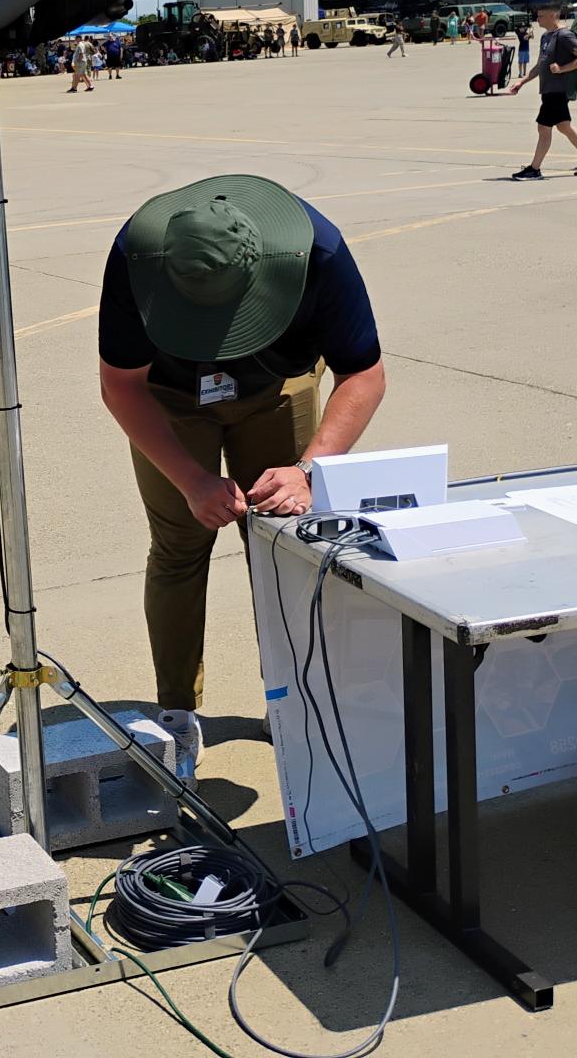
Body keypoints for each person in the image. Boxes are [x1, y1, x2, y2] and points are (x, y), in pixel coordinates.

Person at [97, 175, 387, 764]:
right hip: (171, 398)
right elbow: (121, 385)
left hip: (276, 389)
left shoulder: (319, 252)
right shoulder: (135, 256)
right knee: (180, 545)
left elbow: (364, 373)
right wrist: (191, 481)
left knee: (287, 547)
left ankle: (292, 696)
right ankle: (177, 711)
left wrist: (308, 469)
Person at [506, 3, 577, 179]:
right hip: (548, 90)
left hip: (558, 90)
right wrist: (522, 82)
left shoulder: (564, 35)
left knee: (543, 128)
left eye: (541, 15)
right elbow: (540, 65)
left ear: (553, 15)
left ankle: (534, 169)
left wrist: (562, 69)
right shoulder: (546, 36)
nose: (537, 19)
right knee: (564, 127)